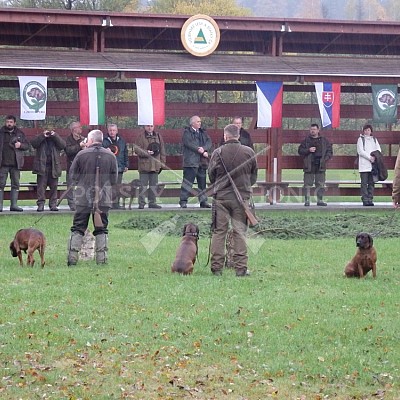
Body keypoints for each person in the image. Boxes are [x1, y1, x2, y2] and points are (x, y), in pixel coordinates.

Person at [208, 123, 258, 277]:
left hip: (221, 198)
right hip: (241, 199)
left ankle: (216, 268)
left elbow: (211, 175)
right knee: (240, 233)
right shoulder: (249, 152)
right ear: (238, 135)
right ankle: (241, 268)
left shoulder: (218, 152)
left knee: (219, 232)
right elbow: (254, 176)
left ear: (225, 136)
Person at [67, 129, 118, 266]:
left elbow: (73, 176)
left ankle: (72, 258)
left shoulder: (81, 154)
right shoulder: (111, 156)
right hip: (103, 198)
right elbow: (114, 179)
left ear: (90, 140)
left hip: (83, 197)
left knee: (78, 227)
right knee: (102, 229)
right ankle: (102, 260)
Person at [179, 115, 212, 208]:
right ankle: (183, 201)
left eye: (200, 121)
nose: (200, 123)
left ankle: (203, 201)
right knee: (187, 183)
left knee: (202, 183)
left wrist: (204, 148)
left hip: (202, 162)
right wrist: (199, 150)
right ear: (192, 123)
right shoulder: (187, 132)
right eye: (198, 121)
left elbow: (209, 142)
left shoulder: (203, 133)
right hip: (190, 162)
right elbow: (188, 143)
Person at [31, 128, 66, 212]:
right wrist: (42, 135)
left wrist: (55, 136)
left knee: (54, 187)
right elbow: (33, 144)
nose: (49, 133)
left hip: (54, 166)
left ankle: (53, 205)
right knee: (41, 188)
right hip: (42, 166)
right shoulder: (40, 139)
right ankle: (41, 204)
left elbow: (63, 145)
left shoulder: (55, 140)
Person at [298, 123, 333, 207]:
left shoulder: (324, 141)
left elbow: (329, 151)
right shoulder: (306, 141)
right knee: (307, 184)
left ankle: (320, 200)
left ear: (318, 130)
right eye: (311, 129)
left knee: (320, 183)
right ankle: (307, 200)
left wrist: (325, 159)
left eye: (314, 129)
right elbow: (300, 151)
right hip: (309, 165)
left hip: (320, 165)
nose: (312, 131)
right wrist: (308, 150)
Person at [0, 115, 30, 212]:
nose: (9, 124)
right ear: (5, 122)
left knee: (16, 184)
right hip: (2, 164)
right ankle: (0, 206)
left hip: (16, 164)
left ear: (14, 123)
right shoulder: (1, 133)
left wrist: (20, 145)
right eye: (7, 122)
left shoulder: (20, 133)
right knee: (1, 184)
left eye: (11, 122)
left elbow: (27, 146)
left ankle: (14, 205)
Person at [134, 124, 166, 209]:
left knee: (153, 186)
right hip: (144, 165)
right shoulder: (140, 137)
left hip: (155, 165)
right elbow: (136, 149)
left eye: (151, 126)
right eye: (148, 126)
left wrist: (162, 163)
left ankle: (152, 202)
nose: (150, 128)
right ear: (144, 127)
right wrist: (146, 152)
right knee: (142, 186)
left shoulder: (158, 136)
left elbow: (162, 150)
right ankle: (141, 203)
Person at [102, 123, 129, 209]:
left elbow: (125, 153)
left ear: (117, 131)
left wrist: (126, 165)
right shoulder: (104, 141)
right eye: (110, 130)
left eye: (114, 130)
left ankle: (116, 204)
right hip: (108, 168)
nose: (112, 132)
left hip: (119, 167)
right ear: (108, 131)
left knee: (118, 186)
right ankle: (108, 203)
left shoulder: (122, 141)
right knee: (108, 186)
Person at [357, 124, 381, 206]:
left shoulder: (374, 139)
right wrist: (369, 157)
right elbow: (360, 151)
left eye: (368, 130)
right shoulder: (360, 139)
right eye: (365, 130)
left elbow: (378, 149)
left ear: (371, 131)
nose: (367, 132)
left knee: (371, 183)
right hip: (363, 165)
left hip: (373, 166)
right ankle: (365, 199)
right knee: (364, 183)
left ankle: (370, 199)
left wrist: (374, 157)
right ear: (363, 131)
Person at [64, 121, 87, 211]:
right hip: (72, 167)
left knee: (83, 186)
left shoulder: (83, 139)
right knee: (71, 186)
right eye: (79, 127)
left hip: (82, 168)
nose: (81, 128)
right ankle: (72, 204)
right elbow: (68, 151)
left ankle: (81, 202)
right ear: (74, 129)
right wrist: (79, 146)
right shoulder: (68, 140)